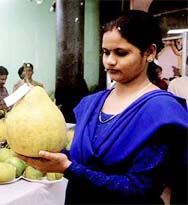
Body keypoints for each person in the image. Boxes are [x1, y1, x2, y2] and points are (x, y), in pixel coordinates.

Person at [18, 10, 187, 204]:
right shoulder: (91, 104)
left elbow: (140, 188)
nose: (110, 61)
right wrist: (51, 156)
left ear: (149, 52)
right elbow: (82, 160)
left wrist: (69, 168)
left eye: (121, 53)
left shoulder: (162, 111)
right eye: (106, 52)